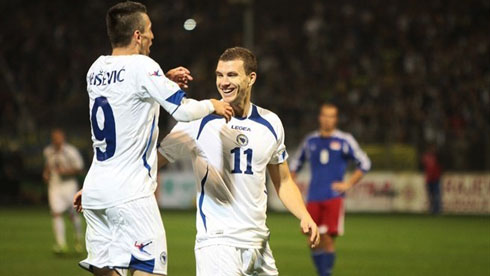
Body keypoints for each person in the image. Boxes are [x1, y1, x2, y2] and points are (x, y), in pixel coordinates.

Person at [73, 1, 233, 276]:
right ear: (137, 35)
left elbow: (125, 105)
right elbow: (183, 111)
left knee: (106, 268)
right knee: (151, 269)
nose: (152, 36)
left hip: (95, 189)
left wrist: (163, 81)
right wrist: (212, 104)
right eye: (149, 29)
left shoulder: (95, 69)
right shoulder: (143, 67)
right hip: (130, 193)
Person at [157, 47, 320, 276]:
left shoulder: (271, 123)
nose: (223, 82)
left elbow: (283, 181)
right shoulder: (198, 119)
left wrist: (304, 215)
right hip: (217, 244)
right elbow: (153, 162)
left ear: (251, 78)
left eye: (231, 75)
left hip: (259, 244)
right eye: (219, 75)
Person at [290, 103, 371, 276]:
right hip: (313, 197)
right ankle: (322, 273)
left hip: (333, 197)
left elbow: (364, 163)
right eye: (325, 115)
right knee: (312, 239)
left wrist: (348, 183)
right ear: (320, 117)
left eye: (331, 116)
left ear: (336, 119)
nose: (327, 119)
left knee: (326, 238)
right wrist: (291, 185)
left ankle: (325, 274)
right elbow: (294, 165)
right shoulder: (310, 140)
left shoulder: (344, 140)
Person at [43, 128, 84, 254]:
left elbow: (80, 168)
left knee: (73, 214)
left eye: (58, 138)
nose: (56, 140)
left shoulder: (71, 151)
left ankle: (78, 238)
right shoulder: (48, 151)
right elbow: (49, 165)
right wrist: (46, 173)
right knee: (56, 213)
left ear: (63, 138)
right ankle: (61, 244)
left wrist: (65, 172)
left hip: (69, 185)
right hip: (54, 186)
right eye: (54, 138)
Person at [421, 144, 442, 214]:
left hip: (436, 179)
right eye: (431, 148)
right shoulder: (426, 156)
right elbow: (422, 165)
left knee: (436, 195)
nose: (432, 150)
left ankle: (437, 211)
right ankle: (431, 210)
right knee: (430, 196)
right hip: (429, 179)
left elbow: (442, 164)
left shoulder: (438, 156)